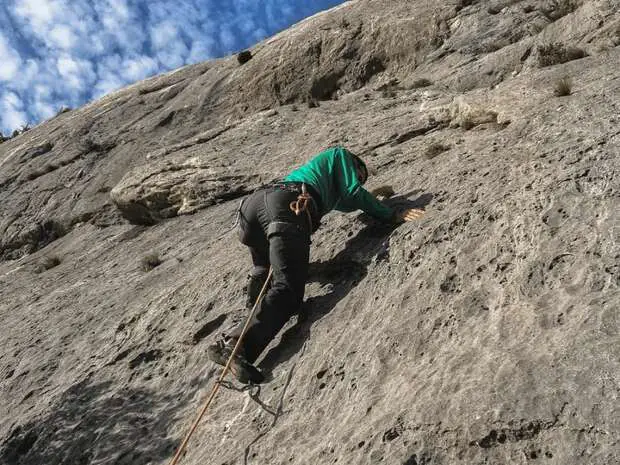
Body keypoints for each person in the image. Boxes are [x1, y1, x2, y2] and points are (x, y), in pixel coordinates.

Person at [207, 146, 424, 382]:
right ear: (355, 164)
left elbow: (352, 201)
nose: (359, 181)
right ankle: (236, 346)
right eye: (360, 175)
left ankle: (240, 330)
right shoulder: (340, 155)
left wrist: (378, 196)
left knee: (265, 272)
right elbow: (353, 192)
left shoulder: (323, 181)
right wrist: (390, 214)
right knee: (288, 289)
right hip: (288, 205)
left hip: (253, 210)